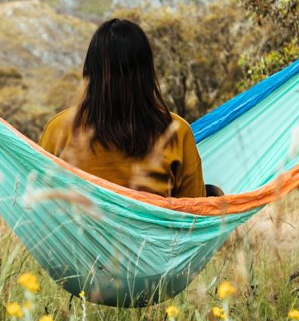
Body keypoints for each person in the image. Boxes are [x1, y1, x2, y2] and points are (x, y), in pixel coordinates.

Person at [39, 18, 207, 198]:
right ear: (147, 73)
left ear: (91, 71)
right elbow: (194, 212)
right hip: (151, 226)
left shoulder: (59, 129)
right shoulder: (176, 132)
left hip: (77, 225)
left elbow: (36, 201)